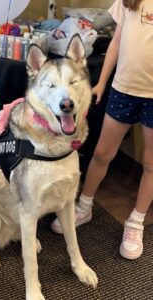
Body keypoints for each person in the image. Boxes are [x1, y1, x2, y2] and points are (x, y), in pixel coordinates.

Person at [51, 0, 153, 260]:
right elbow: (117, 42)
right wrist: (101, 83)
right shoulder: (130, 1)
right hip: (123, 90)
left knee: (151, 163)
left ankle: (135, 222)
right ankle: (84, 206)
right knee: (102, 153)